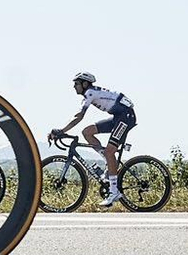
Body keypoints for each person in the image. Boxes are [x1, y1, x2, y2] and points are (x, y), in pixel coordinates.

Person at [50, 74, 137, 206]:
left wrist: (62, 131)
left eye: (76, 84)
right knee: (87, 132)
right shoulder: (91, 92)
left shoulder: (90, 93)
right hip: (118, 116)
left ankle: (114, 191)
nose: (74, 87)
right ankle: (107, 160)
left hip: (125, 117)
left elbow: (79, 116)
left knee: (110, 152)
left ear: (85, 84)